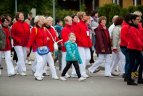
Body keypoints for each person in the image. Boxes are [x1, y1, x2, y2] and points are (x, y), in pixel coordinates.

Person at [126, 14, 143, 85]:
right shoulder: (132, 28)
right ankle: (129, 80)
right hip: (132, 49)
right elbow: (136, 40)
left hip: (137, 49)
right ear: (133, 20)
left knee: (141, 63)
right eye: (137, 19)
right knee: (131, 64)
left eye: (139, 19)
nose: (139, 21)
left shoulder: (136, 27)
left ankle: (139, 79)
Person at [74, 12, 92, 78]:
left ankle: (82, 71)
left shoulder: (85, 24)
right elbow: (77, 34)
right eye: (84, 15)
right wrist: (81, 41)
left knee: (88, 58)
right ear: (81, 17)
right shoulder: (78, 24)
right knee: (82, 59)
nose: (86, 16)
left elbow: (87, 35)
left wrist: (89, 42)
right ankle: (82, 72)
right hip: (81, 45)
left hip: (86, 44)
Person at [120, 13, 132, 81]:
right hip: (125, 46)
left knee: (128, 61)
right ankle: (127, 75)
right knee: (129, 61)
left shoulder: (127, 25)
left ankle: (126, 74)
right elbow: (123, 37)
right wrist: (129, 43)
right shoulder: (125, 26)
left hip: (126, 46)